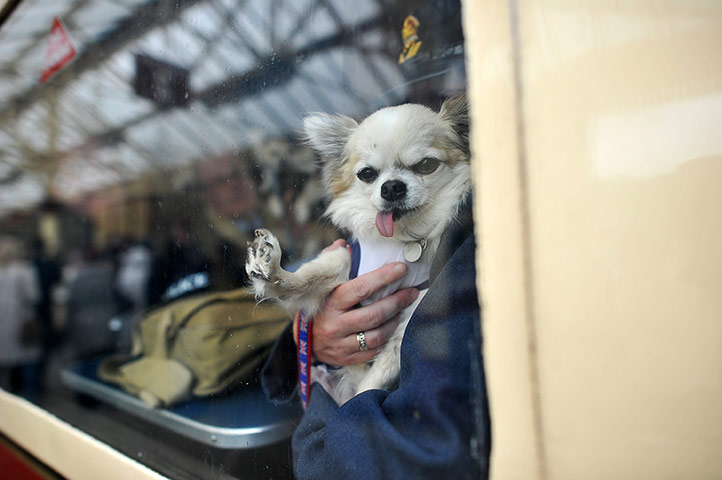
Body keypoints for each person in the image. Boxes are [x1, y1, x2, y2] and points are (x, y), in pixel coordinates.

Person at [261, 198, 490, 479]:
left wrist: (315, 441)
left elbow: (426, 450)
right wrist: (308, 335)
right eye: (368, 173)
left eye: (424, 165)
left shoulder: (475, 242)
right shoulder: (370, 233)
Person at [0, 236, 42, 399]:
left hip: (3, 322)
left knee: (4, 364)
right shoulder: (24, 270)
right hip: (21, 320)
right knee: (27, 361)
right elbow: (33, 296)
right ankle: (29, 399)